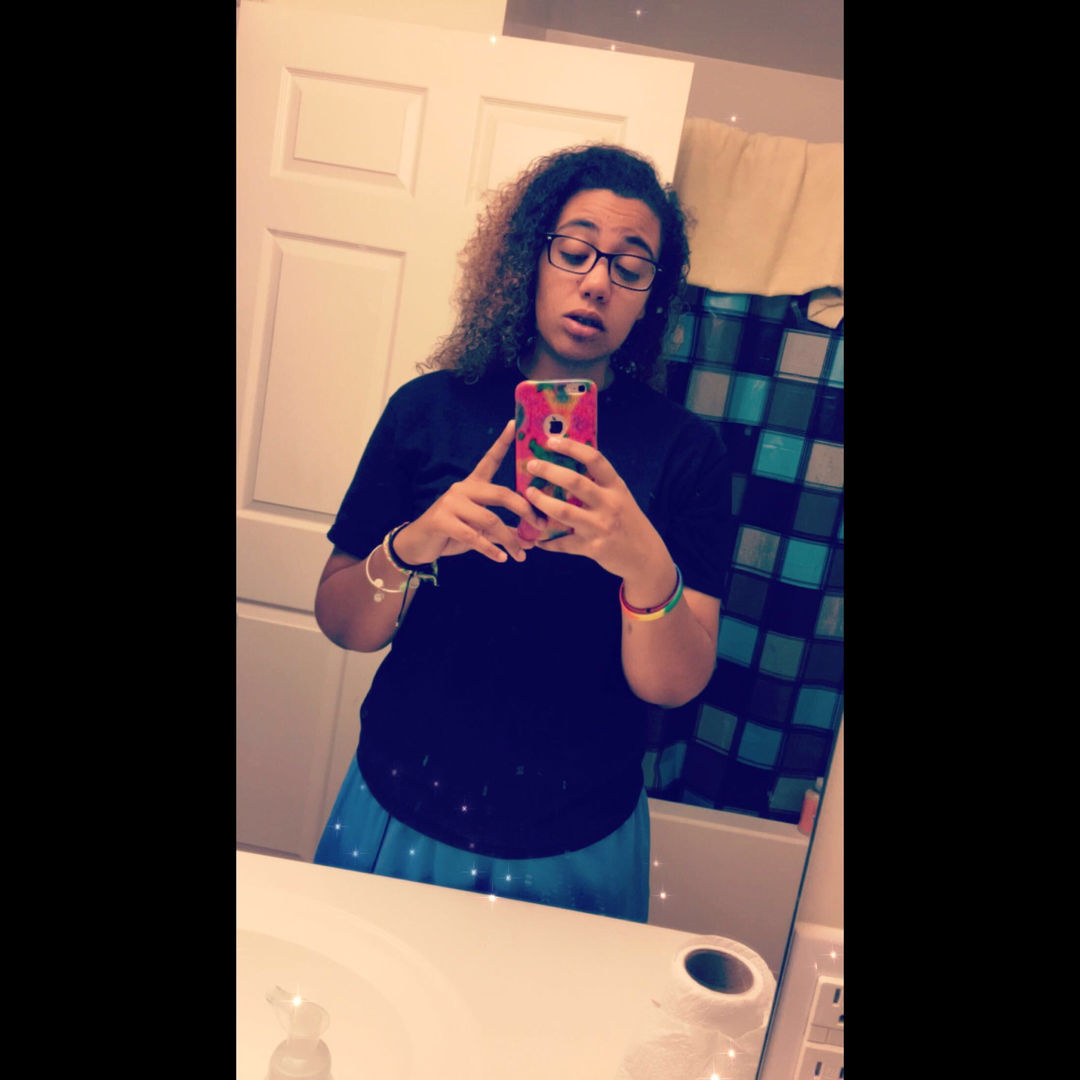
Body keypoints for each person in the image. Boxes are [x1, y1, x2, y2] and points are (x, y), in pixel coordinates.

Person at [312, 143, 733, 922]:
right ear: (528, 258)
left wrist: (645, 566)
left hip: (580, 835)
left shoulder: (685, 451)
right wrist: (413, 544)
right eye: (574, 251)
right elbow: (342, 623)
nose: (598, 281)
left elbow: (674, 685)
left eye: (630, 267)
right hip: (402, 799)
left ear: (651, 297)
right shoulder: (427, 410)